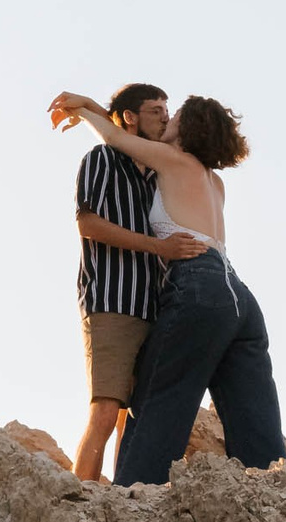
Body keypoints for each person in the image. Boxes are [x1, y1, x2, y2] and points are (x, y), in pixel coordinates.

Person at [49, 90, 286, 484]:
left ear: (186, 129)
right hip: (239, 296)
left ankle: (133, 496)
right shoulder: (214, 182)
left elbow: (116, 139)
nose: (166, 120)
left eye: (173, 116)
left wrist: (87, 106)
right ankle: (276, 493)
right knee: (253, 414)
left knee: (161, 397)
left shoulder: (175, 161)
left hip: (200, 285)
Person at [69, 82, 208, 481]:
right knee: (106, 411)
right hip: (112, 300)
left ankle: (116, 500)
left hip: (155, 306)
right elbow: (87, 222)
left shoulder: (157, 173)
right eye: (154, 110)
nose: (165, 116)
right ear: (130, 118)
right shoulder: (102, 159)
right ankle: (79, 505)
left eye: (167, 109)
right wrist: (157, 246)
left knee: (132, 417)